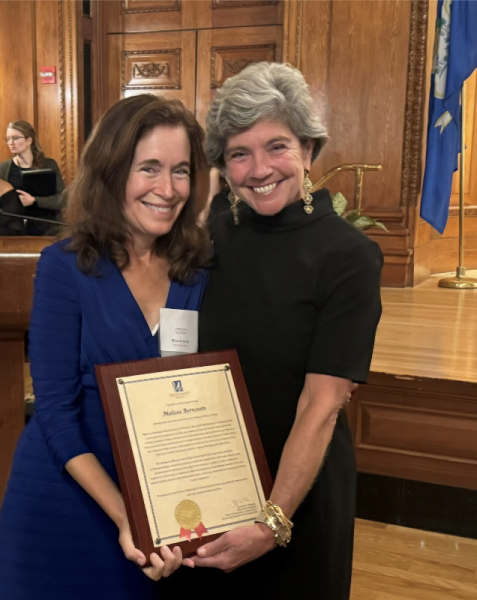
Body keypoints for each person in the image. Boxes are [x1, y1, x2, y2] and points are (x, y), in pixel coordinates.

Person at [168, 62, 383, 599]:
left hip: (297, 495)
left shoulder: (349, 256)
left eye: (277, 146)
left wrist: (271, 523)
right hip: (209, 486)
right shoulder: (209, 232)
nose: (259, 168)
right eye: (239, 153)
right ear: (223, 165)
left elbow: (322, 404)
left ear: (309, 150)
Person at [0, 94, 211, 600]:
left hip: (164, 501)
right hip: (69, 493)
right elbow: (53, 410)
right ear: (113, 172)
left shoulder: (199, 269)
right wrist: (128, 517)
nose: (167, 188)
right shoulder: (65, 266)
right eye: (149, 169)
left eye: (181, 170)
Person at [0, 120, 65, 234]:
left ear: (29, 140)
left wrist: (34, 200)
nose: (11, 142)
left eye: (15, 138)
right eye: (8, 139)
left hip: (46, 229)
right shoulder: (3, 168)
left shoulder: (49, 165)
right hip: (14, 231)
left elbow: (62, 200)